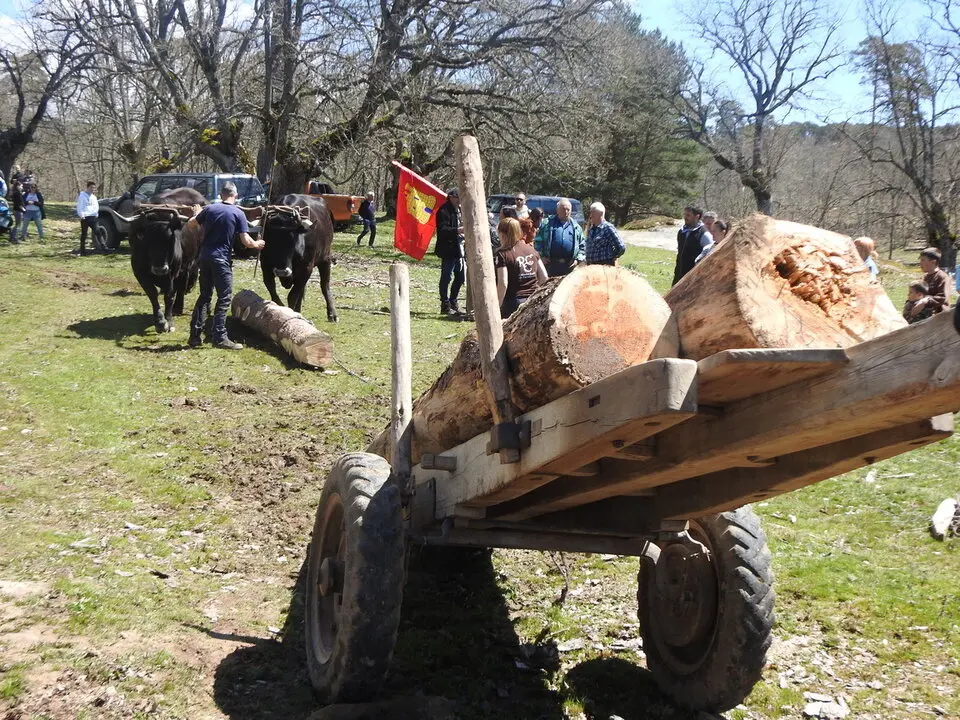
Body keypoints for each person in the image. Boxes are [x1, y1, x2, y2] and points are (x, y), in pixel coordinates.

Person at [189, 181, 266, 350]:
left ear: (221, 195)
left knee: (205, 296)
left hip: (205, 257)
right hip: (221, 260)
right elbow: (245, 240)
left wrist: (197, 214)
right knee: (224, 298)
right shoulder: (238, 213)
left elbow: (191, 224)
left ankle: (194, 336)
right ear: (235, 195)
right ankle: (220, 337)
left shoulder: (209, 209)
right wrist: (257, 244)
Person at [495, 217, 547, 318]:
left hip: (512, 303)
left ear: (502, 234)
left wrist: (497, 306)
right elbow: (544, 277)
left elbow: (503, 283)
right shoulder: (532, 250)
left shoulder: (502, 254)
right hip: (532, 301)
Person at [435, 188, 466, 316]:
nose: (459, 200)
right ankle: (445, 303)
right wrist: (458, 230)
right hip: (448, 249)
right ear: (451, 197)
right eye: (457, 197)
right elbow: (442, 230)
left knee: (460, 277)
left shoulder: (459, 210)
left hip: (459, 248)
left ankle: (454, 300)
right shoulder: (443, 211)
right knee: (446, 277)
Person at [535, 198, 585, 277]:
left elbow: (582, 245)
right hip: (550, 265)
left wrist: (577, 260)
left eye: (568, 209)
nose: (566, 212)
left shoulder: (576, 227)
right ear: (557, 210)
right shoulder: (547, 223)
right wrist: (541, 257)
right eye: (563, 209)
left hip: (569, 266)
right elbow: (537, 242)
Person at [672, 205, 713, 285]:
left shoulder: (704, 234)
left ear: (697, 217)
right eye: (685, 214)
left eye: (688, 215)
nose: (685, 217)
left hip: (693, 279)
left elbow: (710, 252)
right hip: (679, 275)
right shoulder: (681, 231)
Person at [915, 247, 951, 315]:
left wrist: (925, 301)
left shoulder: (942, 277)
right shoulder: (923, 277)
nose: (920, 263)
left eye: (923, 260)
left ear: (933, 262)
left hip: (940, 317)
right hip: (923, 316)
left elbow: (943, 297)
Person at [76, 181, 105, 255]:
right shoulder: (82, 196)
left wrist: (96, 214)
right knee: (84, 234)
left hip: (93, 217)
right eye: (91, 187)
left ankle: (104, 247)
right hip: (85, 217)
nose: (92, 189)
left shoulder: (94, 197)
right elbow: (80, 207)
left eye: (94, 188)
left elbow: (96, 207)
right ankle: (82, 251)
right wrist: (82, 215)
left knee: (98, 231)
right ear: (88, 187)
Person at [8, 180, 24, 245]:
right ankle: (14, 238)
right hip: (18, 210)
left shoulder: (16, 193)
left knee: (17, 225)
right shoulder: (17, 193)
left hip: (16, 210)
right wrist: (24, 210)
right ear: (18, 186)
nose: (22, 187)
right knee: (18, 225)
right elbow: (19, 203)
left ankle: (11, 237)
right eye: (21, 186)